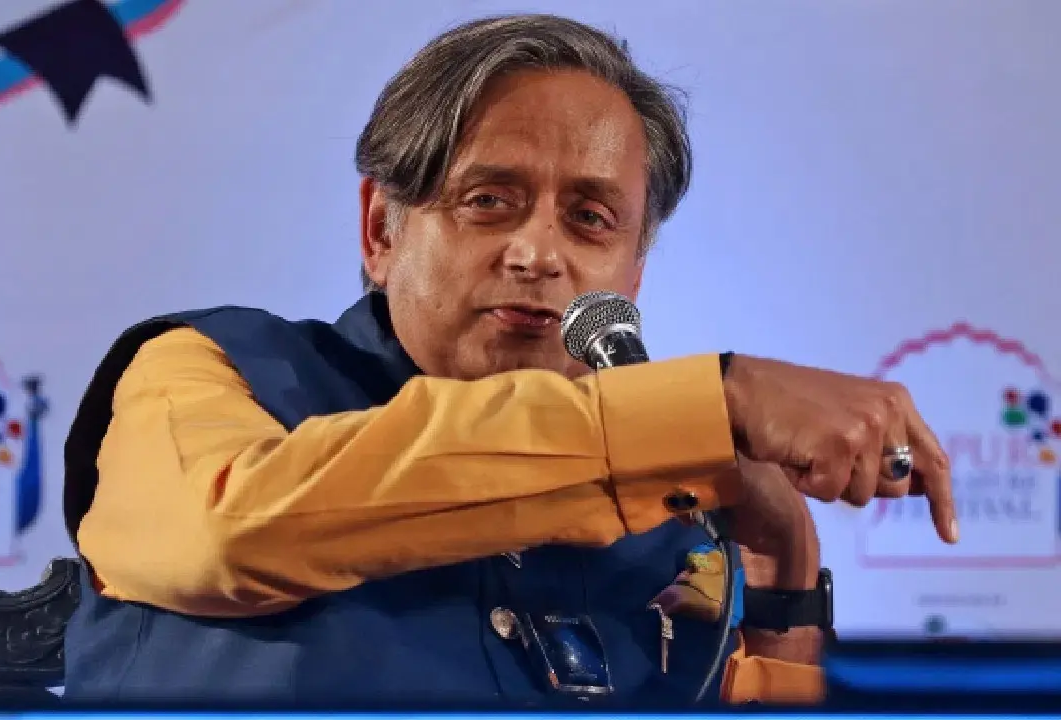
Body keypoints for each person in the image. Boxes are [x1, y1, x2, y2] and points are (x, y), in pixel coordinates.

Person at [61, 13, 956, 706]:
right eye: (489, 200)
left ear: (632, 275)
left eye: (590, 219)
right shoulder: (208, 371)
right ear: (381, 230)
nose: (538, 253)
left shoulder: (679, 520)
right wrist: (714, 399)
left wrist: (780, 577)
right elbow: (234, 531)